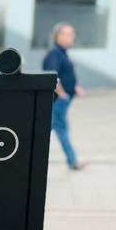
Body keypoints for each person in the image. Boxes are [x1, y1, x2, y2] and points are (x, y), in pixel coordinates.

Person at [42, 23, 86, 171]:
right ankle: (73, 160)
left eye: (72, 33)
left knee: (55, 129)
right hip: (58, 101)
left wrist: (75, 88)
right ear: (59, 36)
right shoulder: (54, 53)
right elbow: (52, 76)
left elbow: (65, 74)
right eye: (69, 33)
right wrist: (63, 94)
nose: (72, 36)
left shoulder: (62, 53)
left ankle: (73, 160)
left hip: (61, 100)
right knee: (61, 129)